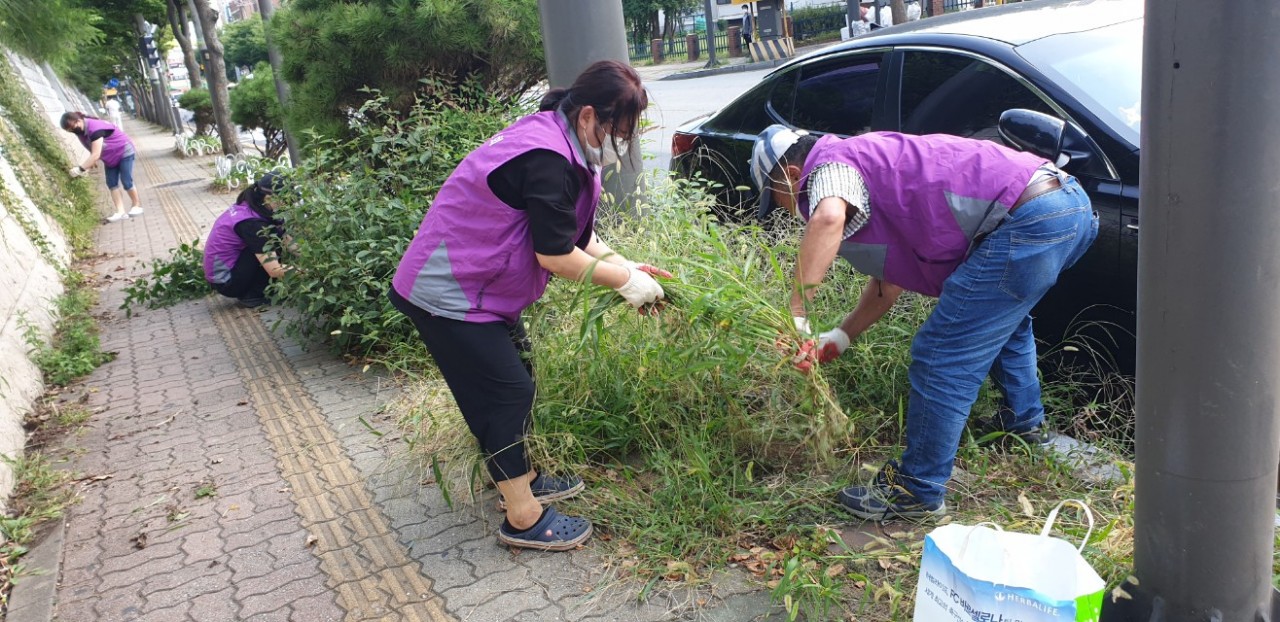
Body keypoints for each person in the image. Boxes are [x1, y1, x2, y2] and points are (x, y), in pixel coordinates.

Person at [749, 125, 1098, 520]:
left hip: (1031, 215)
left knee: (941, 355)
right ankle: (1024, 424)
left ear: (792, 175)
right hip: (1063, 205)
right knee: (1002, 323)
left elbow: (827, 219)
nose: (785, 210)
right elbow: (888, 284)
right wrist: (842, 336)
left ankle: (917, 491)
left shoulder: (830, 166)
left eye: (776, 199)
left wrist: (797, 313)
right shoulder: (871, 170)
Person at [388, 60, 667, 551]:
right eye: (616, 132)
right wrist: (624, 283)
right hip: (447, 293)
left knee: (519, 375)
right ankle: (521, 517)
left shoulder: (561, 139)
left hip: (479, 289)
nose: (617, 144)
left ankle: (522, 479)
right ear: (588, 115)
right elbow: (555, 256)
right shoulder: (547, 156)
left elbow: (573, 234)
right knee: (506, 393)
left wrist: (625, 266)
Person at [204, 171, 289, 309]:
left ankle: (257, 288)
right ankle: (254, 294)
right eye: (286, 200)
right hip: (226, 281)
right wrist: (306, 271)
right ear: (268, 198)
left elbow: (286, 239)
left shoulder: (253, 206)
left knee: (273, 235)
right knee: (269, 242)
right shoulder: (253, 224)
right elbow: (274, 269)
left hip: (230, 270)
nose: (288, 204)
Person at [60, 111, 143, 223]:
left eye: (72, 128)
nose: (72, 131)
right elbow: (91, 147)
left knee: (126, 180)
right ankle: (120, 212)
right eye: (69, 130)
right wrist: (91, 160)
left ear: (78, 121)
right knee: (111, 183)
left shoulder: (95, 128)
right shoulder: (80, 132)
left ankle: (136, 205)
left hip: (123, 151)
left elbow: (96, 154)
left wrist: (80, 169)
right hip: (110, 157)